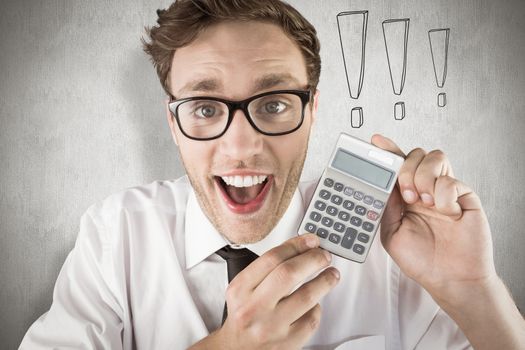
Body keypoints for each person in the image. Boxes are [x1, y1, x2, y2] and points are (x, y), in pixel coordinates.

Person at [20, 0, 525, 349]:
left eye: (275, 103)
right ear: (172, 124)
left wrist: (473, 290)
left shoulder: (394, 249)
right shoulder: (116, 235)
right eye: (203, 108)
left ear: (312, 111)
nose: (241, 146)